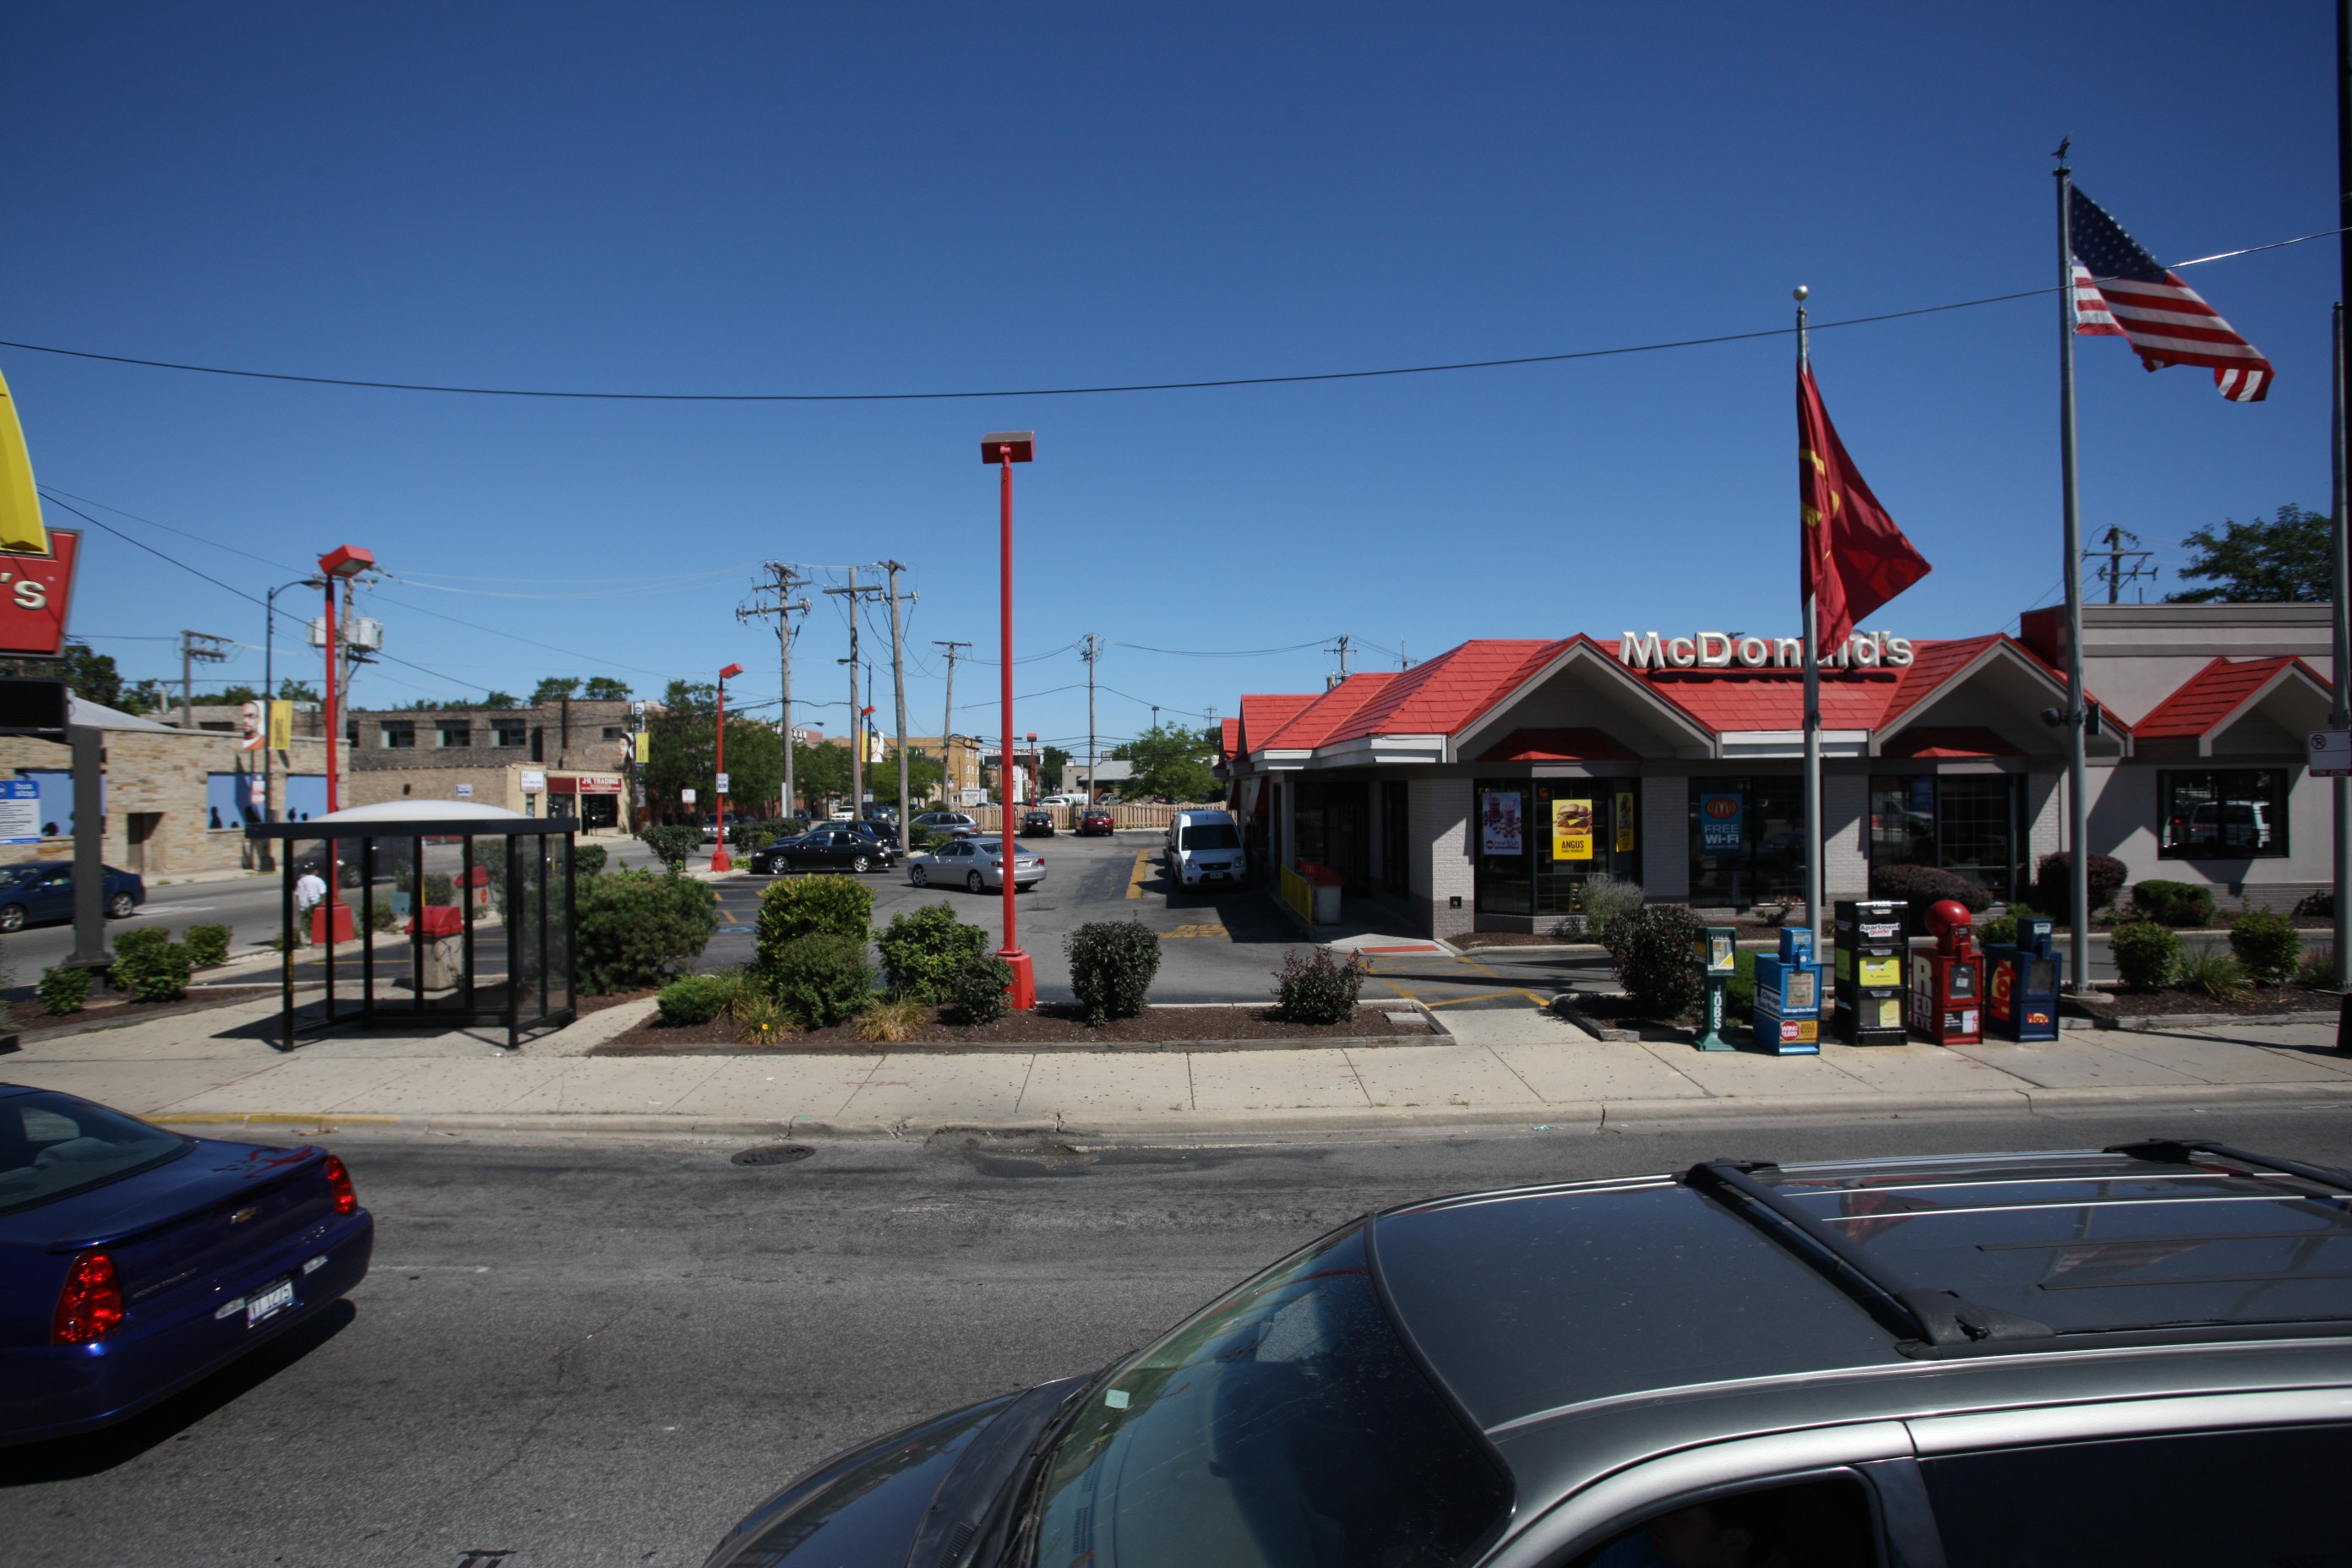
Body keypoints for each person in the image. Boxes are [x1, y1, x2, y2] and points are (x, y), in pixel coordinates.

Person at [293, 868, 326, 947]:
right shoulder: (318, 880)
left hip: (304, 905)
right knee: (316, 922)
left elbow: (297, 894)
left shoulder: (301, 881)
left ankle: (304, 940)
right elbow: (323, 893)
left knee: (304, 923)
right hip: (315, 904)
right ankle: (317, 938)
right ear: (315, 871)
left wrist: (300, 903)